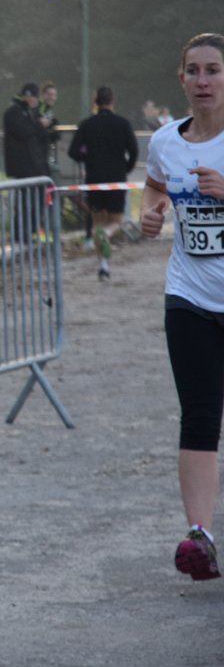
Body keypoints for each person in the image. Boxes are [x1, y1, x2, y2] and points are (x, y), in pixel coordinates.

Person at [139, 32, 224, 584]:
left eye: (213, 70)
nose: (202, 81)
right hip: (189, 297)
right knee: (199, 414)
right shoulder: (166, 142)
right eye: (193, 70)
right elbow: (153, 188)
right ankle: (201, 538)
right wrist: (149, 213)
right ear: (181, 79)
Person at [67, 85, 139, 280]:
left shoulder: (87, 124)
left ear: (95, 102)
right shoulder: (122, 123)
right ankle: (107, 235)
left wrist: (88, 158)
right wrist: (126, 167)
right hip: (116, 177)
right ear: (113, 101)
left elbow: (73, 151)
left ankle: (104, 266)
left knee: (97, 223)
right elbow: (134, 150)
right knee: (116, 222)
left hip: (94, 178)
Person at [2, 82, 53, 242]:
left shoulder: (30, 111)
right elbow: (24, 131)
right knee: (25, 202)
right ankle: (22, 233)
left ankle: (32, 231)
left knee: (36, 200)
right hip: (23, 165)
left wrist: (47, 128)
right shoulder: (14, 112)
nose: (34, 101)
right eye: (32, 97)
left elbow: (37, 134)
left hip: (35, 164)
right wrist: (39, 125)